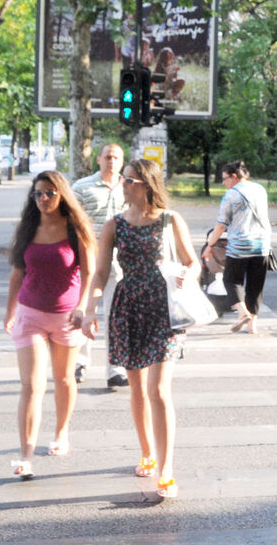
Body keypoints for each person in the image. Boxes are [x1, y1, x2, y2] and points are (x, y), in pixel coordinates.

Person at [82, 158, 200, 498]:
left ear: (147, 184)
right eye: (124, 179)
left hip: (164, 308)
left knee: (159, 390)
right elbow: (100, 273)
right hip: (129, 307)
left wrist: (188, 274)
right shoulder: (115, 225)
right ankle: (147, 452)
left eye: (129, 180)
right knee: (137, 389)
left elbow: (192, 262)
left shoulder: (170, 220)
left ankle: (166, 468)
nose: (123, 183)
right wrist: (89, 310)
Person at [3, 171, 95, 480]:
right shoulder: (28, 228)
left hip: (67, 316)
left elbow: (90, 273)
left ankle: (61, 432)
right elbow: (17, 273)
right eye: (38, 194)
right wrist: (10, 310)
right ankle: (25, 456)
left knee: (64, 379)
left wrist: (83, 308)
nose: (43, 199)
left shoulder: (75, 229)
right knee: (31, 385)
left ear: (62, 195)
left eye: (50, 193)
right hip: (30, 314)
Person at [71, 143, 128, 389]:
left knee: (116, 314)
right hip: (89, 257)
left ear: (122, 161)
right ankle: (79, 362)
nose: (111, 161)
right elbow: (71, 221)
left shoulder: (129, 186)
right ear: (98, 159)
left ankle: (115, 369)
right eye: (107, 157)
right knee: (85, 310)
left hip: (119, 260)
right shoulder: (82, 187)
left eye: (116, 157)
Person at [202, 160, 271, 335]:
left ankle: (242, 313)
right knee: (255, 286)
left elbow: (221, 225)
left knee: (231, 281)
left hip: (240, 246)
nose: (223, 183)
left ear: (234, 176)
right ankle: (252, 326)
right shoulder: (260, 190)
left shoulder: (231, 195)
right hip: (262, 245)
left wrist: (210, 245)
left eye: (224, 179)